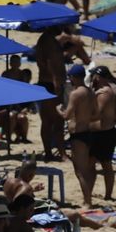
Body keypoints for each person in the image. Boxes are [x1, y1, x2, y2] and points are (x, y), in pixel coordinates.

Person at [62, 64, 98, 207]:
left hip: (78, 134)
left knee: (80, 171)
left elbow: (67, 115)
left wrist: (59, 110)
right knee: (88, 168)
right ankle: (87, 198)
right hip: (89, 132)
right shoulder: (90, 92)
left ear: (74, 77)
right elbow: (96, 114)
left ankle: (88, 201)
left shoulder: (75, 94)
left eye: (70, 77)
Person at [88, 66, 116, 203]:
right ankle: (90, 192)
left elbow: (97, 114)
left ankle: (108, 195)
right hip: (100, 133)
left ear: (98, 77)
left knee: (105, 165)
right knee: (91, 164)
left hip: (104, 134)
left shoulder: (104, 93)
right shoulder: (101, 91)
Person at [35, 26, 67, 161]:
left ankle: (51, 152)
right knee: (56, 120)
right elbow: (50, 63)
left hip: (47, 83)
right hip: (51, 84)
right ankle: (60, 153)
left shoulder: (44, 39)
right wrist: (56, 82)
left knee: (48, 120)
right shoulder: (49, 41)